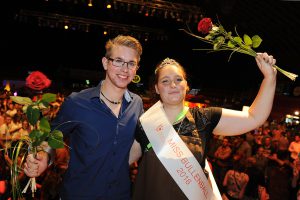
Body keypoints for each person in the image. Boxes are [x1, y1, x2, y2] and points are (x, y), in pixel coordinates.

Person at [131, 52, 277, 200]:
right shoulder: (146, 124)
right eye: (165, 81)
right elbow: (120, 162)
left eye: (178, 79)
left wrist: (269, 78)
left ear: (186, 85)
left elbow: (254, 117)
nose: (173, 85)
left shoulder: (204, 118)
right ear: (156, 88)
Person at [24, 35, 144, 199]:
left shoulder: (136, 104)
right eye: (118, 61)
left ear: (136, 68)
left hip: (119, 194)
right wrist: (44, 157)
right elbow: (49, 137)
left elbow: (138, 146)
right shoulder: (77, 102)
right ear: (105, 62)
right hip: (79, 194)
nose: (125, 69)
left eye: (131, 63)